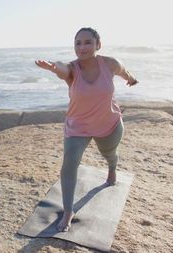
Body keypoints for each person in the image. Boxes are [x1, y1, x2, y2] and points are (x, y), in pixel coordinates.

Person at [35, 27, 138, 232]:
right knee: (69, 165)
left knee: (109, 154)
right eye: (77, 43)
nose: (82, 47)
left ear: (98, 44)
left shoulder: (110, 64)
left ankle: (112, 170)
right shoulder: (71, 69)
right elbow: (63, 69)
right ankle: (67, 211)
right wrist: (55, 67)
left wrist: (131, 79)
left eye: (87, 42)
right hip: (78, 127)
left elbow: (124, 71)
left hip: (108, 122)